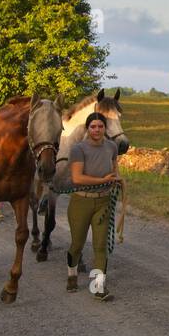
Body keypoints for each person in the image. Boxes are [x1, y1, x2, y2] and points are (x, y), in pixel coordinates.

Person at [66, 112, 122, 301]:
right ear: (87, 129)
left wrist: (117, 180)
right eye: (93, 126)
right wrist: (102, 180)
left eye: (100, 126)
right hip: (81, 201)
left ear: (105, 128)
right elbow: (77, 178)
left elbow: (115, 169)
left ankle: (98, 287)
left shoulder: (112, 147)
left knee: (100, 246)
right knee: (77, 244)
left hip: (104, 201)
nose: (97, 130)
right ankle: (71, 273)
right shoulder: (78, 149)